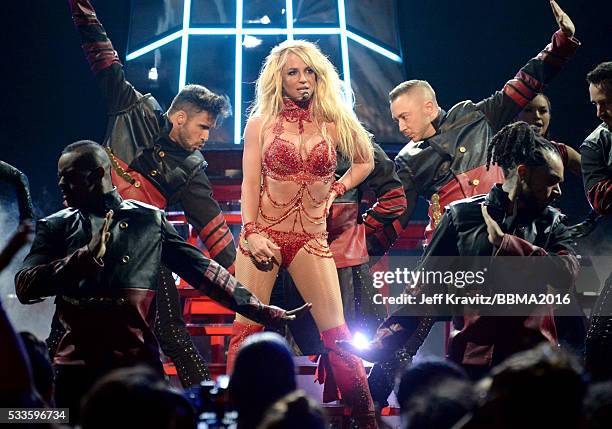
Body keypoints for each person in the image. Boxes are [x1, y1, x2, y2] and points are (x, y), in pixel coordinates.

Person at [14, 141, 309, 419]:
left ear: (98, 175)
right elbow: (25, 286)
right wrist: (80, 261)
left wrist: (258, 309)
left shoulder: (149, 222)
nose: (61, 184)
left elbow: (202, 270)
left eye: (69, 176)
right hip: (74, 371)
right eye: (60, 176)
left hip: (137, 369)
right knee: (26, 420)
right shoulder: (55, 226)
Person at [61, 0, 236, 386]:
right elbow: (103, 57)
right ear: (179, 117)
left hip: (143, 251)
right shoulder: (132, 108)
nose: (207, 138)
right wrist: (82, 8)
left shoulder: (192, 171)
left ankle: (203, 407)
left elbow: (215, 233)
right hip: (88, 237)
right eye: (203, 127)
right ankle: (44, 414)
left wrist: (255, 288)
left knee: (172, 334)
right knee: (66, 328)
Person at [341, 122, 580, 380]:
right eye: (552, 181)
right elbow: (423, 289)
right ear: (523, 173)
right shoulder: (461, 215)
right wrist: (384, 341)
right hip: (473, 360)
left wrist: (508, 245)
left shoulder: (553, 222)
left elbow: (567, 274)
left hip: (534, 366)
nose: (558, 191)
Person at [229, 39, 378, 427]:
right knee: (245, 332)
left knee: (340, 338)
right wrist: (250, 232)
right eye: (293, 72)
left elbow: (365, 161)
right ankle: (236, 417)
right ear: (278, 78)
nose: (302, 79)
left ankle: (367, 422)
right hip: (264, 233)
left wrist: (336, 190)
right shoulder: (259, 123)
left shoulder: (335, 120)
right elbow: (249, 185)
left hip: (311, 239)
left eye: (309, 71)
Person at [371, 0, 579, 255]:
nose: (401, 127)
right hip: (450, 248)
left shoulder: (473, 116)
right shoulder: (407, 160)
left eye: (404, 117)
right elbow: (396, 218)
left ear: (428, 107)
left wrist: (560, 45)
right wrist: (361, 254)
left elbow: (523, 84)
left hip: (502, 236)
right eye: (396, 120)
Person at [277, 142, 407, 354]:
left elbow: (394, 199)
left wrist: (358, 231)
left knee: (359, 351)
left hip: (345, 264)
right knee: (304, 352)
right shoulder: (286, 137)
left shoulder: (356, 141)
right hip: (299, 261)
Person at [580, 61, 612, 381]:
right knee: (600, 342)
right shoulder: (594, 144)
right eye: (595, 104)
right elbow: (601, 199)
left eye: (606, 102)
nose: (600, 112)